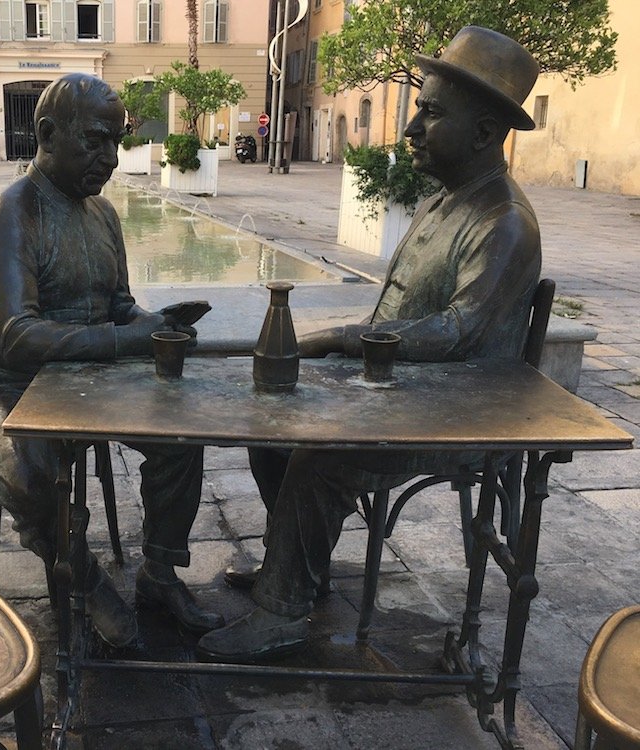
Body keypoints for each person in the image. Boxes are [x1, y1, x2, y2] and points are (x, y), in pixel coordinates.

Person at [199, 26, 543, 661]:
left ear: (484, 133)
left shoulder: (505, 224)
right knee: (272, 422)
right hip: (403, 387)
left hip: (457, 410)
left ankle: (283, 609)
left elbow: (457, 331)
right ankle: (296, 567)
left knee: (317, 458)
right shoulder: (447, 202)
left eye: (430, 113)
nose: (410, 130)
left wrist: (341, 337)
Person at [0, 73, 222, 648]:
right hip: (11, 384)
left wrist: (157, 328)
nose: (111, 156)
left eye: (117, 141)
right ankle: (81, 574)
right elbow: (16, 337)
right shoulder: (11, 214)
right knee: (26, 469)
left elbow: (120, 305)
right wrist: (128, 341)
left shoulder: (103, 214)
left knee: (182, 433)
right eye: (97, 140)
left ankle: (159, 571)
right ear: (47, 134)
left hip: (91, 378)